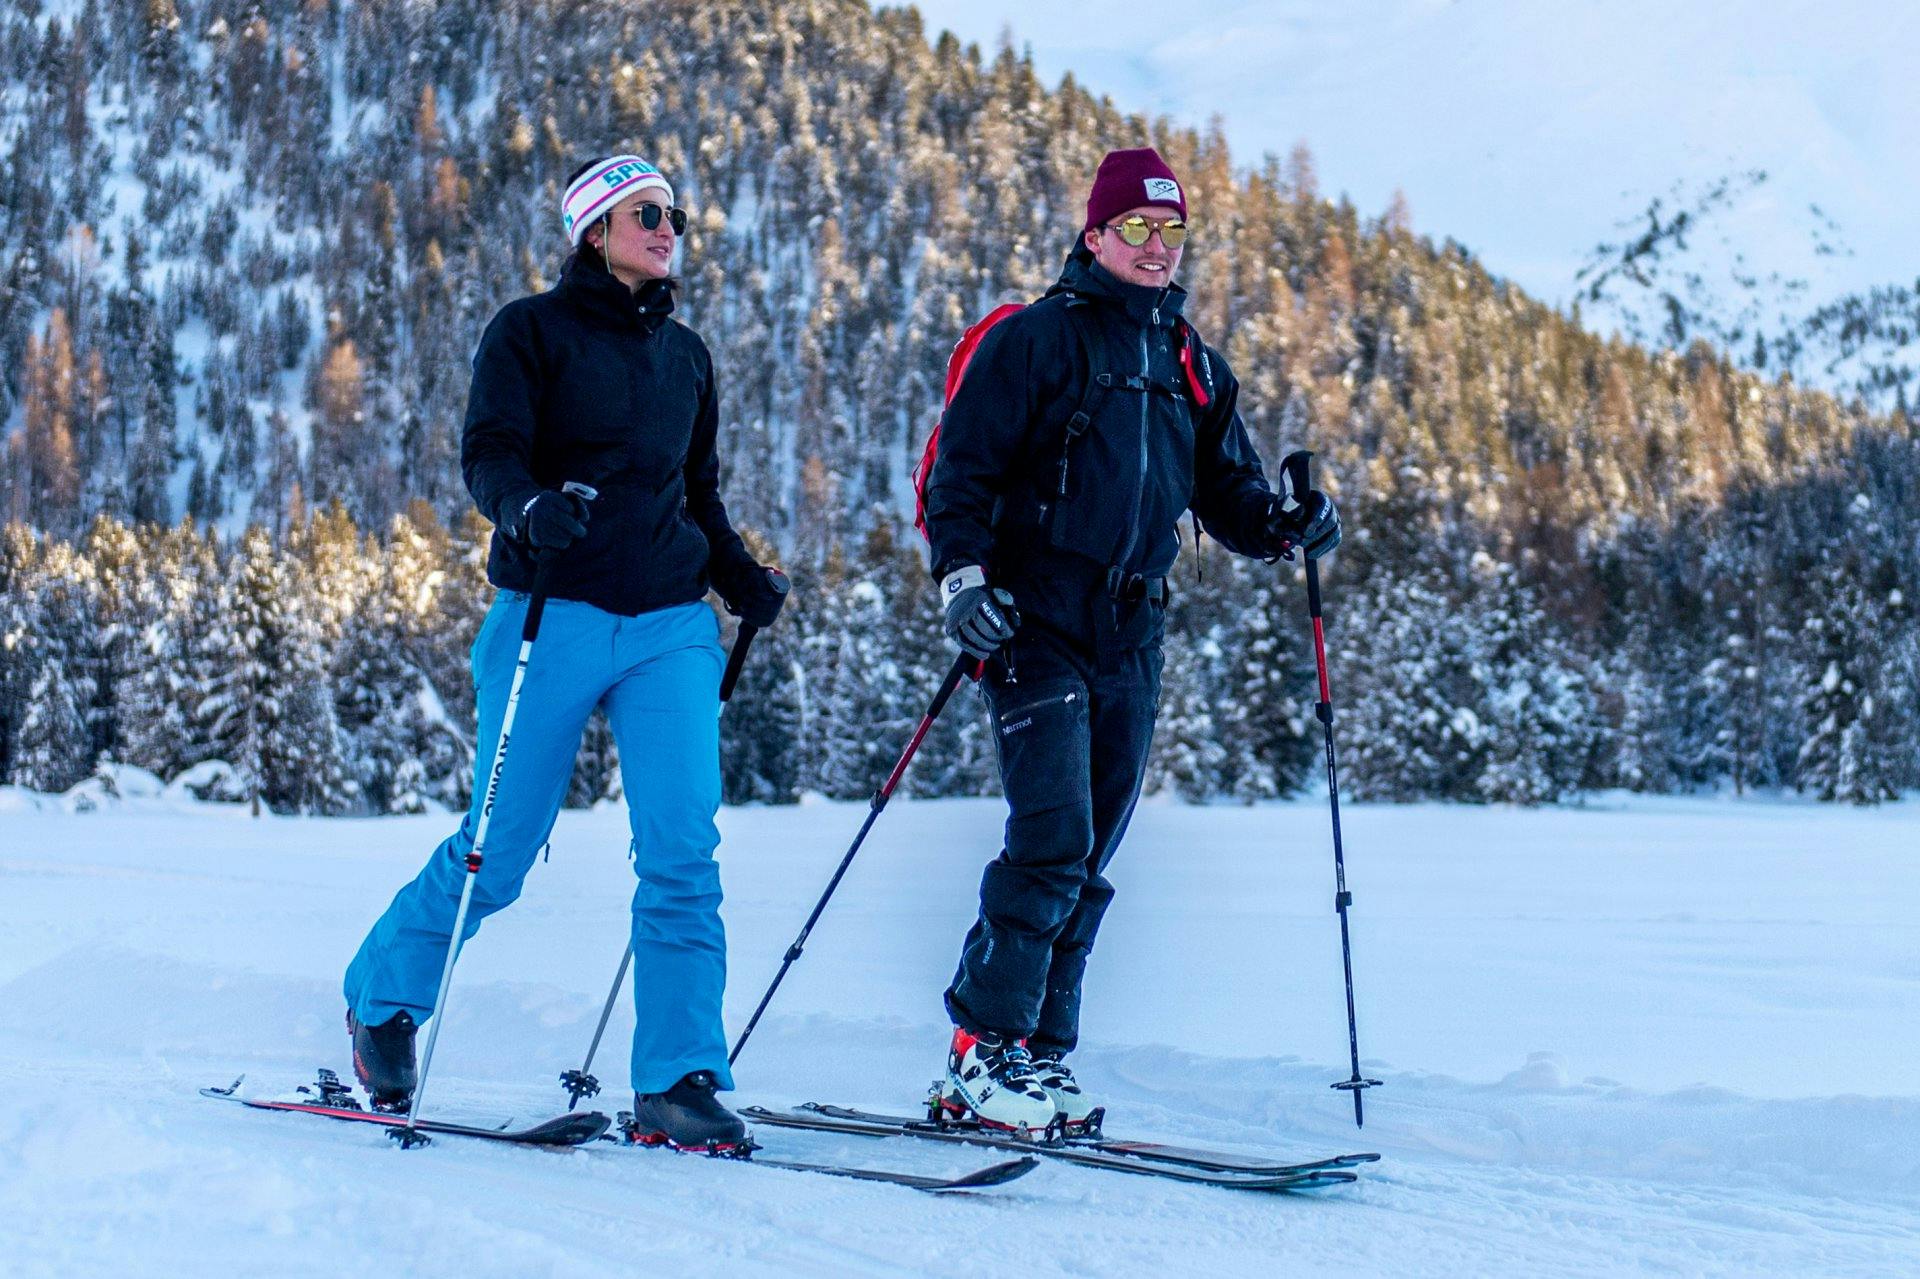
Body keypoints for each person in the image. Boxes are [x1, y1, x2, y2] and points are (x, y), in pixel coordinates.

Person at [342, 154, 786, 1151]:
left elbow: (696, 499)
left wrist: (740, 574)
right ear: (594, 229)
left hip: (670, 622)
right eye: (647, 212)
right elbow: (490, 453)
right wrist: (527, 506)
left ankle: (678, 1077)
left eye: (675, 212)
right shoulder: (528, 331)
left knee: (683, 855)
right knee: (495, 853)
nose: (668, 227)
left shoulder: (688, 357)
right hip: (553, 609)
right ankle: (380, 1001)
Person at [923, 147, 1341, 1134]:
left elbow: (1231, 496)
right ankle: (981, 1050)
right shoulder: (1032, 340)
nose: (1157, 247)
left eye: (1172, 231)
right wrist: (963, 584)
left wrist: (1288, 524)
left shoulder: (1189, 361)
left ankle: (1036, 1056)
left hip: (1133, 627)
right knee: (1052, 838)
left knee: (1093, 847)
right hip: (1035, 618)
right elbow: (962, 477)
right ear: (1096, 234)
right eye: (1138, 229)